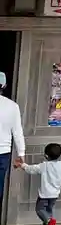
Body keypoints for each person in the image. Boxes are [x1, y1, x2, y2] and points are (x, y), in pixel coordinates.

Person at [22, 143, 61, 225]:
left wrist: (22, 165)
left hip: (44, 194)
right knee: (49, 210)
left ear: (46, 156)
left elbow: (31, 169)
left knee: (39, 209)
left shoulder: (44, 165)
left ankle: (48, 222)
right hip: (55, 194)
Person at [0, 74, 24, 215]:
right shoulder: (12, 106)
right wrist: (21, 153)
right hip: (2, 153)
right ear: (4, 86)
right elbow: (17, 132)